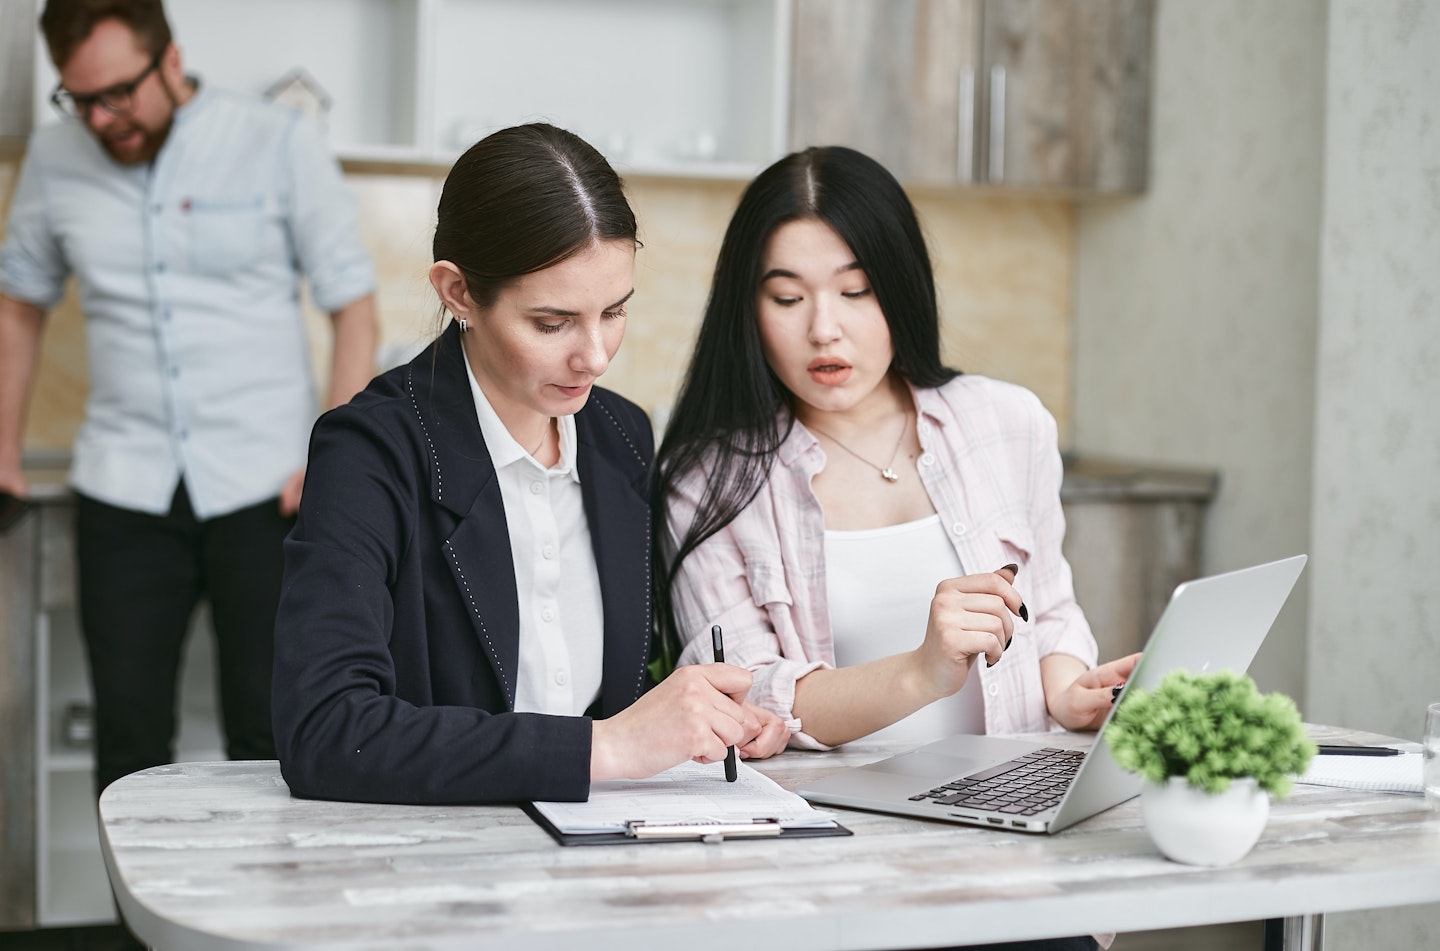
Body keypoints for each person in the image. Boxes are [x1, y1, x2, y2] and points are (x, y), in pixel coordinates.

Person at [271, 123, 789, 806]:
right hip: (434, 869)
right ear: (458, 292)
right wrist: (609, 746)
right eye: (552, 322)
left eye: (614, 311)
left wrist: (713, 718)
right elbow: (327, 730)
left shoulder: (622, 437)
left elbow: (626, 689)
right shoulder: (370, 451)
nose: (596, 356)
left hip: (601, 850)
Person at [0, 0, 379, 793]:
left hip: (269, 491)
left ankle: (269, 919)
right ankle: (133, 925)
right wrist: (2, 441)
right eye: (82, 100)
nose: (104, 118)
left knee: (271, 735)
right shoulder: (56, 157)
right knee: (128, 737)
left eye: (121, 93)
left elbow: (354, 305)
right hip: (123, 486)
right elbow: (19, 304)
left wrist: (332, 461)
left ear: (170, 61)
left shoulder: (276, 140)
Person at [657, 146, 1140, 755]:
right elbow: (746, 696)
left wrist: (1070, 692)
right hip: (831, 822)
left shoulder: (1007, 422)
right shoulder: (708, 480)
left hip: (1011, 799)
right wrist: (921, 671)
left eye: (856, 291)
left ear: (902, 290)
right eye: (787, 298)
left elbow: (1048, 611)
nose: (824, 329)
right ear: (747, 312)